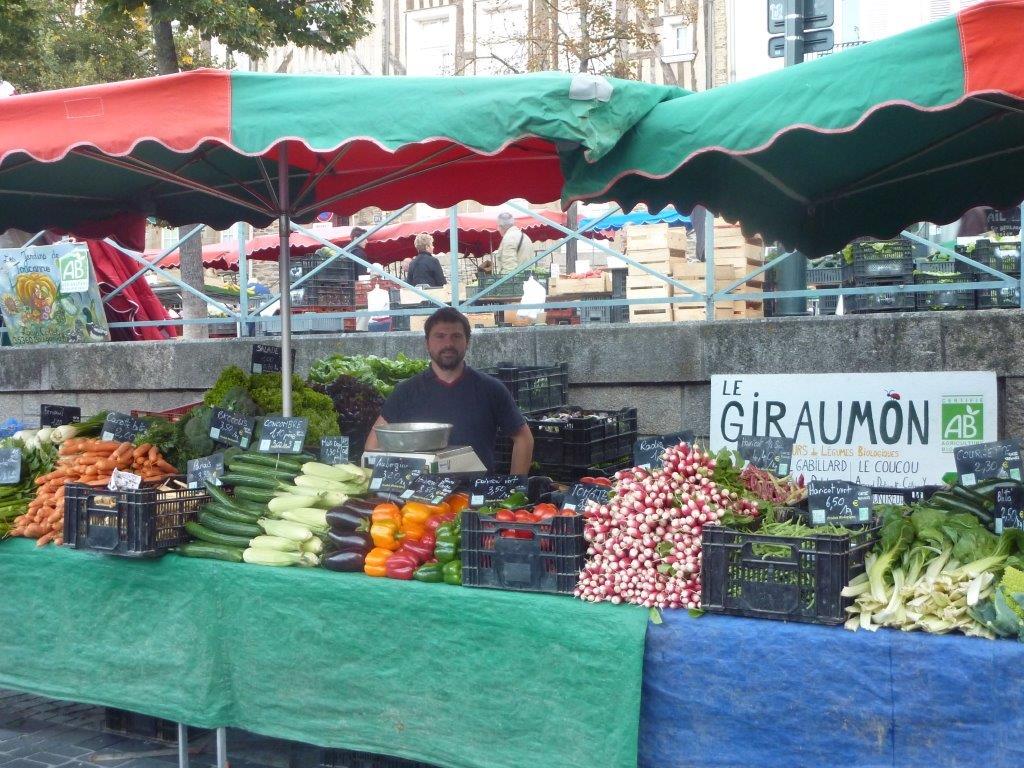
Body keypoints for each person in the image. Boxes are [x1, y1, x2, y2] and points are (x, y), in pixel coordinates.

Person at [364, 307, 534, 473]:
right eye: (440, 336)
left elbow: (523, 439)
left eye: (456, 336)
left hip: (475, 496)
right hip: (419, 497)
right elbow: (373, 445)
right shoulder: (405, 391)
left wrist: (516, 487)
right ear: (427, 343)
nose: (448, 344)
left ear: (467, 342)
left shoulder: (491, 389)